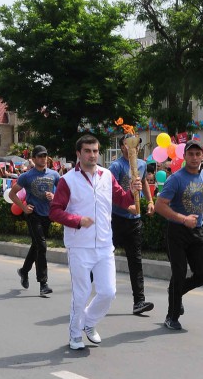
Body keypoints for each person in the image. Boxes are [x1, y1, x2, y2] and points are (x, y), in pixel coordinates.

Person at [49, 135, 142, 350]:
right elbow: (55, 211)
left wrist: (133, 192)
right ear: (78, 154)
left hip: (104, 244)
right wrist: (77, 221)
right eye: (88, 151)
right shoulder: (68, 180)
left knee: (108, 292)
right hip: (79, 245)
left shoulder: (107, 176)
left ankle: (89, 322)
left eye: (95, 151)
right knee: (81, 294)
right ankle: (74, 335)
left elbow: (122, 200)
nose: (92, 154)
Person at [155, 140, 203, 330]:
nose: (195, 158)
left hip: (197, 231)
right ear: (185, 156)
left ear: (202, 157)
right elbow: (159, 206)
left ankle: (176, 292)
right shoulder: (176, 179)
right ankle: (171, 317)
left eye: (198, 154)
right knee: (179, 273)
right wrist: (182, 219)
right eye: (191, 154)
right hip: (177, 231)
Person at [108, 135, 155, 315]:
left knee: (135, 261)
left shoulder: (141, 164)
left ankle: (139, 302)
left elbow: (143, 182)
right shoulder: (116, 166)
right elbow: (109, 190)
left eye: (136, 145)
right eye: (129, 145)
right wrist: (126, 205)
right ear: (122, 147)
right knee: (102, 257)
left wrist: (149, 201)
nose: (133, 148)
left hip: (134, 220)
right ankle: (83, 292)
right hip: (116, 218)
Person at [10, 145, 60, 296]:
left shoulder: (54, 175)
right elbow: (12, 194)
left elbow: (64, 194)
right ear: (33, 159)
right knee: (42, 246)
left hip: (47, 215)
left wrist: (55, 197)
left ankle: (24, 271)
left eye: (45, 155)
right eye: (40, 156)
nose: (43, 158)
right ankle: (43, 283)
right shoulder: (26, 176)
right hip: (33, 214)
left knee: (37, 246)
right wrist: (23, 208)